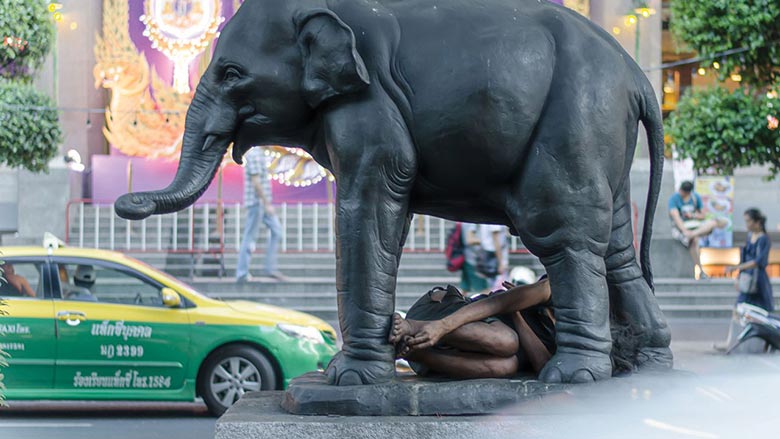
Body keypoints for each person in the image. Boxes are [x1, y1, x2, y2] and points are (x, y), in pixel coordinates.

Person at [389, 278, 554, 379]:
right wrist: (442, 326)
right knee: (506, 340)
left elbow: (545, 367)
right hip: (439, 315)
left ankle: (415, 352)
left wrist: (516, 314)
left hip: (445, 353)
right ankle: (411, 326)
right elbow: (497, 303)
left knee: (507, 367)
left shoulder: (575, 337)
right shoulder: (551, 288)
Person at [717, 209, 773, 349]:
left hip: (759, 282)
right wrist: (738, 277)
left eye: (748, 221)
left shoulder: (764, 239)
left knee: (763, 314)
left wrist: (737, 268)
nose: (746, 224)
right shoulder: (750, 236)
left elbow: (758, 261)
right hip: (747, 280)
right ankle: (730, 343)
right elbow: (745, 256)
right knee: (737, 309)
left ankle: (767, 343)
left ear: (757, 222)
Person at [236, 147, 287, 283]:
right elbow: (256, 182)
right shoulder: (255, 154)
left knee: (277, 231)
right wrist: (267, 204)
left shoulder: (260, 154)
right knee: (250, 236)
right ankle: (242, 273)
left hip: (261, 203)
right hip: (257, 203)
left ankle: (269, 268)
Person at [668, 180, 727, 278]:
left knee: (714, 222)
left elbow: (703, 215)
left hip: (695, 226)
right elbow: (675, 216)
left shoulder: (695, 197)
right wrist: (684, 231)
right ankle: (701, 271)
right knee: (694, 241)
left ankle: (693, 234)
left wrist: (693, 215)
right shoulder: (674, 199)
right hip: (682, 228)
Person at [460, 223, 489, 293]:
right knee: (484, 291)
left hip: (467, 258)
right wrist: (487, 241)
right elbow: (469, 240)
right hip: (474, 260)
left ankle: (455, 303)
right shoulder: (472, 222)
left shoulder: (465, 221)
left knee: (464, 289)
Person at [478, 224, 509, 288]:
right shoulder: (495, 222)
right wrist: (501, 262)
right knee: (496, 287)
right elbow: (496, 241)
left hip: (488, 254)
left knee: (492, 285)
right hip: (493, 255)